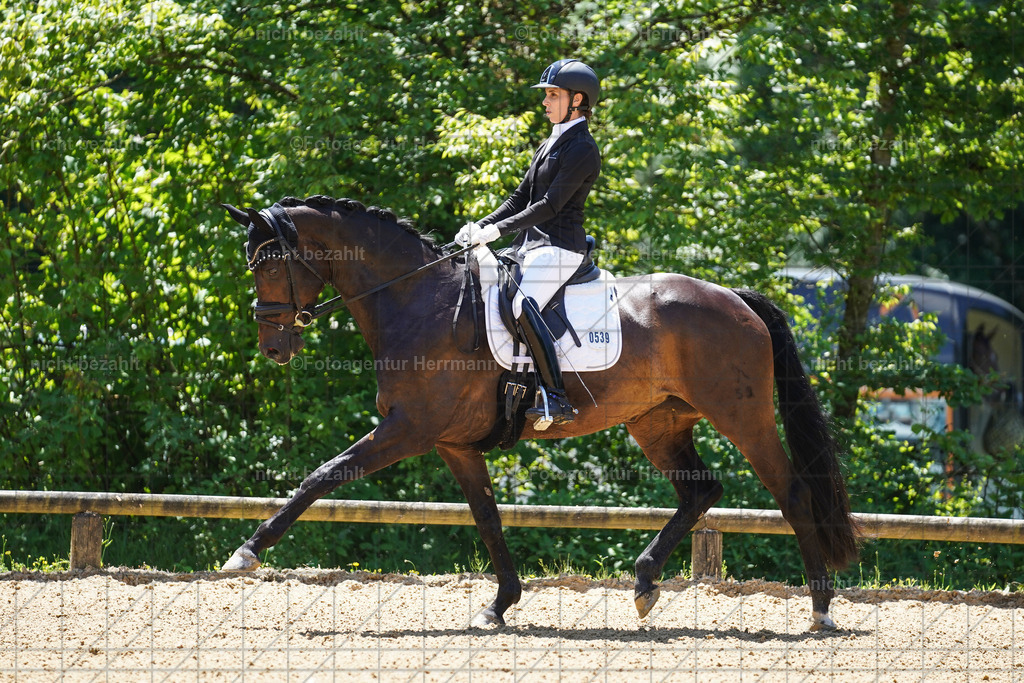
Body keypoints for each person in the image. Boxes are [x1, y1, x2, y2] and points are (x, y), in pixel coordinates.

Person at [456, 58, 601, 429]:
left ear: (578, 99)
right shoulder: (551, 141)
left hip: (561, 247)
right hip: (531, 245)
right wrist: (480, 226)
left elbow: (551, 205)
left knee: (523, 302)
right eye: (546, 95)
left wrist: (497, 232)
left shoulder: (582, 148)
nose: (545, 102)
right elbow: (520, 198)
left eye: (553, 95)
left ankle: (556, 397)